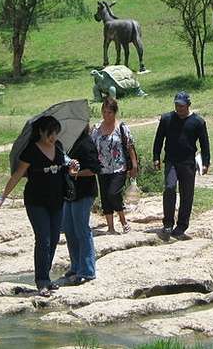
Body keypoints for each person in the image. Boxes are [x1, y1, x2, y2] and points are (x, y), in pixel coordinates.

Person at [0, 115, 72, 297]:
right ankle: (41, 281)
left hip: (57, 200)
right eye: (50, 133)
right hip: (36, 201)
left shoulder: (58, 148)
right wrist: (2, 197)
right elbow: (17, 175)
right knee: (43, 239)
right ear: (41, 131)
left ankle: (47, 278)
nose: (53, 137)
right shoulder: (31, 150)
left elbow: (66, 168)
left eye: (56, 133)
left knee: (54, 239)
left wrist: (72, 167)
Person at [152, 91, 210, 239]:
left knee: (187, 194)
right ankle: (168, 223)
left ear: (188, 105)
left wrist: (206, 162)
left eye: (182, 106)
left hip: (188, 163)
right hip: (171, 161)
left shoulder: (198, 122)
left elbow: (204, 144)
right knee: (170, 188)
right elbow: (158, 139)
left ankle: (182, 226)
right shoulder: (167, 119)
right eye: (177, 105)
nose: (179, 108)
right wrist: (156, 157)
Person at [90, 96, 139, 234]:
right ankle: (110, 227)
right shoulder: (96, 129)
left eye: (109, 112)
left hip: (119, 167)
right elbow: (91, 147)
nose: (106, 115)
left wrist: (134, 165)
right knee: (105, 197)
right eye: (104, 112)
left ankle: (123, 221)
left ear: (115, 112)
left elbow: (130, 146)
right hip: (102, 168)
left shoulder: (121, 127)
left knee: (113, 193)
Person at [62, 124, 101, 285]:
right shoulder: (67, 144)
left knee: (81, 229)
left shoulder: (86, 143)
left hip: (84, 192)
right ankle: (76, 266)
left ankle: (87, 270)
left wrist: (77, 173)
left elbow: (94, 168)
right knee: (69, 229)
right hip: (70, 193)